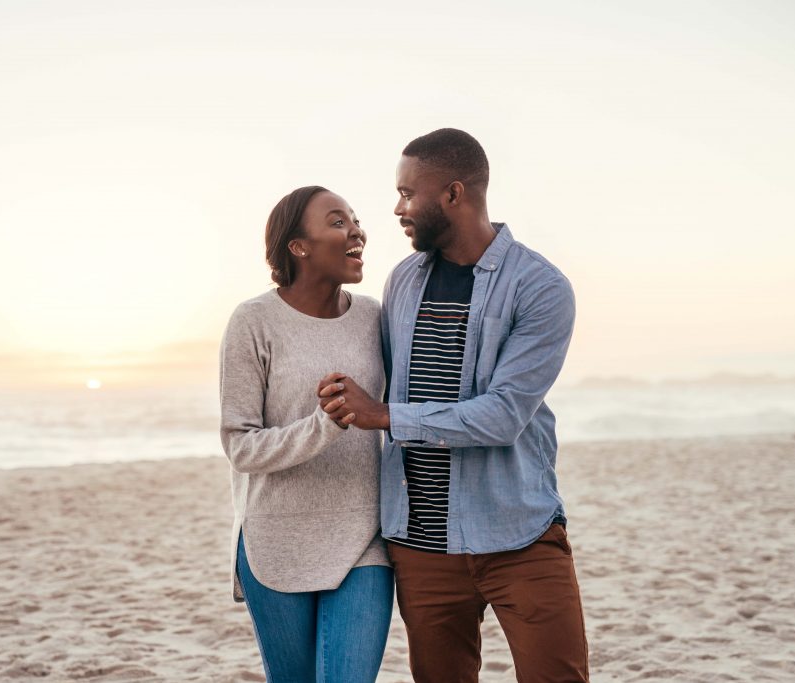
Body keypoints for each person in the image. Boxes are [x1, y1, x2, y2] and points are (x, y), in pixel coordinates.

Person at [318, 129, 589, 682]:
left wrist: (386, 415)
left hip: (519, 534)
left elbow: (503, 415)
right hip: (421, 545)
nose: (397, 209)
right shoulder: (403, 282)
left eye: (407, 193)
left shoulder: (539, 287)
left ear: (453, 194)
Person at [219, 186, 393, 683]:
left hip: (364, 539)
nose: (357, 230)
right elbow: (240, 445)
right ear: (299, 246)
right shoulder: (253, 321)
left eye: (356, 220)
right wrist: (325, 426)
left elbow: (396, 411)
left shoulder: (374, 317)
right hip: (276, 541)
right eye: (338, 222)